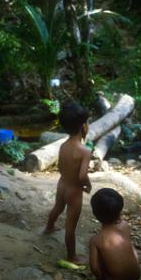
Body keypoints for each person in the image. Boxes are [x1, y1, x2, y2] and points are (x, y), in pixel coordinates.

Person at [45, 101, 92, 264]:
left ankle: (49, 227)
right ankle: (71, 256)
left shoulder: (63, 146)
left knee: (57, 207)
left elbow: (60, 166)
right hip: (74, 191)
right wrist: (88, 184)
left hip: (62, 185)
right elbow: (82, 176)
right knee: (70, 225)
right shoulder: (85, 152)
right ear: (83, 127)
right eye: (87, 122)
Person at [89, 188, 141, 280]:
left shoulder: (95, 240)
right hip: (136, 277)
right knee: (128, 247)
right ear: (119, 212)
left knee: (101, 256)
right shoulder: (125, 226)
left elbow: (94, 268)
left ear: (95, 214)